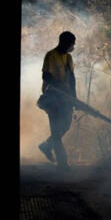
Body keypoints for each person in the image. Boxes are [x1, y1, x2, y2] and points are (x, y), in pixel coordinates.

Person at [37, 30, 76, 168]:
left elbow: (72, 78)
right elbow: (46, 77)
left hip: (66, 98)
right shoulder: (51, 56)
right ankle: (63, 164)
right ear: (65, 43)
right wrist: (59, 89)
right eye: (72, 43)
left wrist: (74, 98)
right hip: (52, 99)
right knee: (56, 131)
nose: (74, 46)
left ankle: (47, 145)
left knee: (65, 125)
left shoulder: (69, 58)